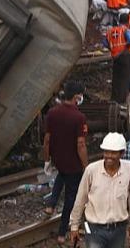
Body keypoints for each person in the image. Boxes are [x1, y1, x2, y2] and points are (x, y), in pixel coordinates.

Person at [69, 133, 130, 247]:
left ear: (122, 153)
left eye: (113, 152)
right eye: (106, 152)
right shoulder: (91, 170)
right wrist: (74, 225)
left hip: (119, 228)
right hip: (93, 228)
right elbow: (80, 199)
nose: (109, 156)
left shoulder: (129, 169)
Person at [44, 81, 89, 244]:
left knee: (61, 176)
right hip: (74, 164)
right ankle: (62, 233)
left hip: (58, 160)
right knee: (71, 199)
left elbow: (47, 139)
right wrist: (85, 165)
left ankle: (50, 205)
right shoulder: (79, 117)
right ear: (77, 96)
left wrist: (47, 158)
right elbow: (81, 144)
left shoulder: (52, 113)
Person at [104, 13, 130, 104]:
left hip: (115, 57)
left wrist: (112, 49)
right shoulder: (125, 30)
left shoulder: (111, 30)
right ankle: (122, 100)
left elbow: (105, 42)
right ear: (127, 21)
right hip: (125, 56)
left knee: (116, 78)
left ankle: (114, 98)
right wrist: (125, 47)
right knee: (125, 78)